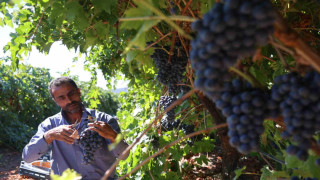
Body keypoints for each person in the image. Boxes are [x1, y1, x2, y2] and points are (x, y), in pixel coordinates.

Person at [22, 77, 129, 179]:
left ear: (78, 91)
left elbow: (124, 155)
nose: (69, 100)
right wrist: (48, 136)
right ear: (55, 100)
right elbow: (28, 157)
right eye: (61, 97)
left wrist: (113, 136)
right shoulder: (50, 125)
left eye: (71, 93)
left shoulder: (104, 120)